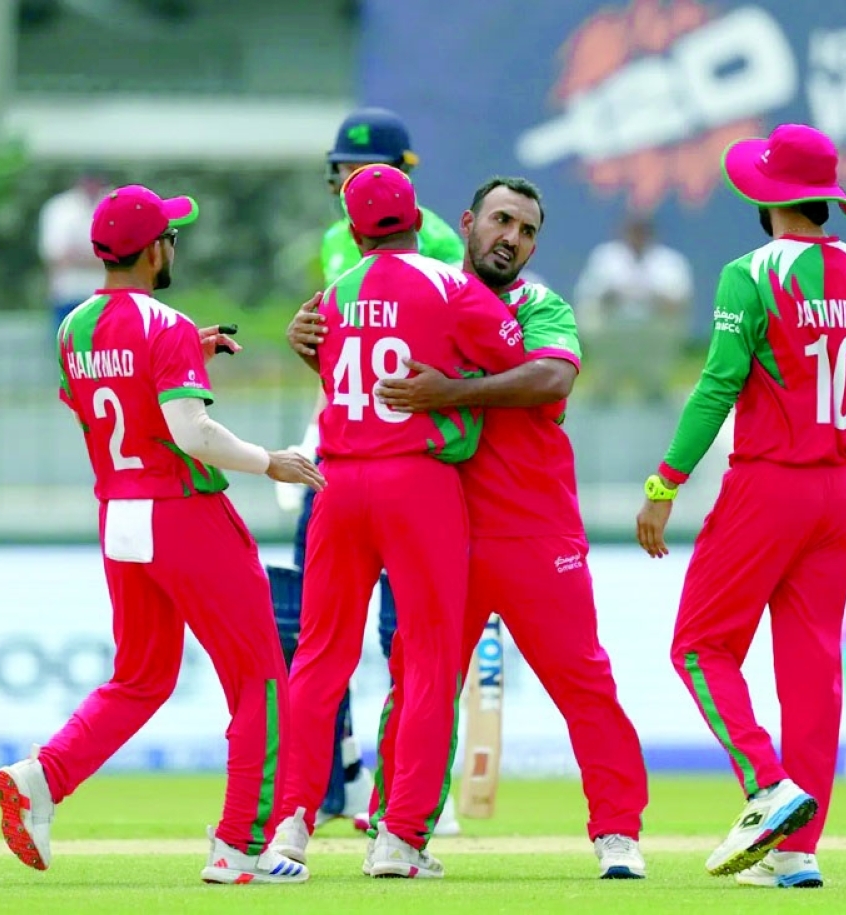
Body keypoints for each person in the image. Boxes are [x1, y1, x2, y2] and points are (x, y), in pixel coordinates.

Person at [291, 176, 651, 880]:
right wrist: (313, 346)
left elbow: (553, 380)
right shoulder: (416, 298)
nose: (511, 238)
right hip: (439, 534)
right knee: (417, 682)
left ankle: (617, 832)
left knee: (583, 683)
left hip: (534, 531)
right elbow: (365, 378)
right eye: (501, 220)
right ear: (467, 223)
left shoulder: (540, 305)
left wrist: (452, 393)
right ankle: (399, 831)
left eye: (526, 230)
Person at [0, 184, 325, 886]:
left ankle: (43, 778)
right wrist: (271, 460)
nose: (174, 245)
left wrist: (184, 353)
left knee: (140, 677)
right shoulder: (165, 324)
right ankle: (240, 846)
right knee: (261, 680)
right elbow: (191, 433)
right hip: (182, 513)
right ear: (152, 251)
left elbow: (103, 401)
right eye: (170, 236)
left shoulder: (74, 326)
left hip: (119, 514)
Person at [635, 124, 846, 887]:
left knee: (699, 645)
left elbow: (718, 384)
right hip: (839, 489)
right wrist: (838, 449)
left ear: (766, 195)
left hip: (769, 484)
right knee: (814, 673)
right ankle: (797, 851)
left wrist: (664, 484)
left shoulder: (750, 273)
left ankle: (767, 784)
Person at [269, 164, 527, 879]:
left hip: (337, 484)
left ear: (354, 233)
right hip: (417, 482)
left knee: (319, 656)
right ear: (419, 219)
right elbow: (514, 359)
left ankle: (290, 824)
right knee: (429, 657)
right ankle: (400, 836)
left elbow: (330, 365)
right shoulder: (450, 285)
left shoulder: (333, 295)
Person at [273, 106, 464, 834]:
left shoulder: (438, 242)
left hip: (407, 457)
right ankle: (339, 780)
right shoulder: (335, 240)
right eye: (342, 170)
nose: (348, 182)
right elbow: (342, 344)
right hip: (343, 450)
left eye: (362, 170)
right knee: (324, 637)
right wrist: (306, 344)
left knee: (400, 635)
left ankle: (410, 787)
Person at [573, 213, 693, 403]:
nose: (637, 237)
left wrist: (650, 296)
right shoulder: (605, 258)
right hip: (613, 327)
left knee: (654, 393)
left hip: (652, 329)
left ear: (651, 235)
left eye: (642, 232)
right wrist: (615, 295)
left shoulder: (669, 261)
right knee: (590, 314)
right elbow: (590, 296)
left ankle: (654, 383)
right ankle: (605, 381)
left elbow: (678, 302)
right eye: (633, 232)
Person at [38, 170, 112, 333]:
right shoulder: (60, 208)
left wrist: (78, 257)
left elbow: (121, 257)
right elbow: (56, 256)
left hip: (106, 297)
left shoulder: (115, 205)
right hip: (68, 295)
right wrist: (99, 257)